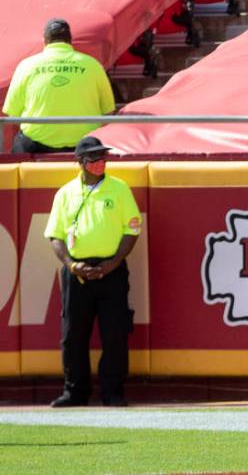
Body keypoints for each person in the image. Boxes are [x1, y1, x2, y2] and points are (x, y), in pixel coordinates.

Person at [44, 136, 142, 407]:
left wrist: (113, 262)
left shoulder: (119, 189)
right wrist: (71, 264)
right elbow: (55, 235)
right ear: (80, 162)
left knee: (115, 333)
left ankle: (112, 391)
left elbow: (131, 229)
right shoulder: (65, 193)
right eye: (94, 159)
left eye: (103, 158)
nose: (100, 163)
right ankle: (74, 392)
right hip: (77, 271)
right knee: (73, 334)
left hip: (112, 268)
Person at [2, 19, 115, 154]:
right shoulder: (93, 65)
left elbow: (12, 113)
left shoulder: (26, 66)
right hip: (84, 147)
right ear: (70, 40)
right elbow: (108, 111)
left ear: (44, 41)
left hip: (35, 145)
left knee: (20, 142)